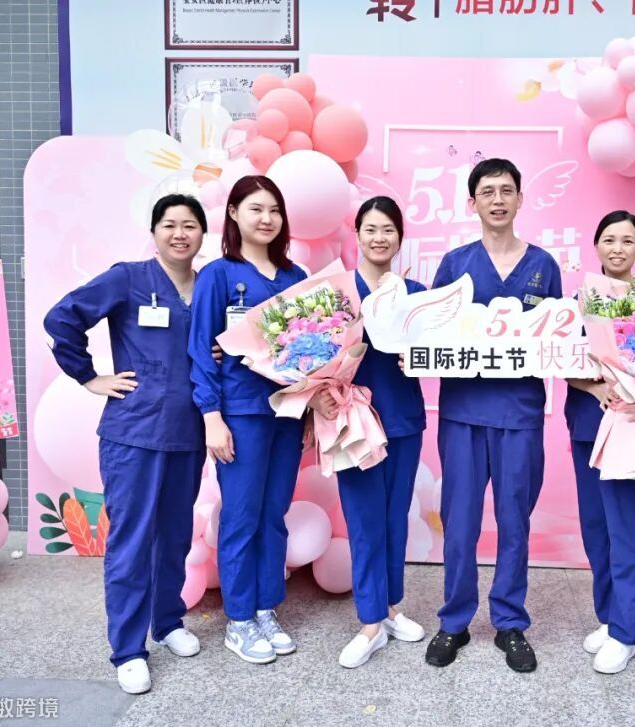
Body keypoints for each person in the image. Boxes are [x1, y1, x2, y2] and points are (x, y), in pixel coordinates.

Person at [44, 194, 208, 694]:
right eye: (169, 224)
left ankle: (168, 621)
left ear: (202, 234)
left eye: (189, 225)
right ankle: (129, 649)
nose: (179, 233)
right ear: (154, 232)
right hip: (134, 433)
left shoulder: (209, 286)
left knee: (175, 535)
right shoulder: (128, 278)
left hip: (189, 432)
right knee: (132, 541)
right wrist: (89, 376)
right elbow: (62, 318)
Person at [425, 158, 562, 673]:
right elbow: (431, 330)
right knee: (459, 521)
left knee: (514, 521)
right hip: (462, 413)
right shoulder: (455, 263)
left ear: (521, 199)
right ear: (473, 202)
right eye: (488, 191)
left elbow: (558, 336)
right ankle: (454, 620)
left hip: (520, 412)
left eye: (507, 190)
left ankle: (509, 622)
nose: (498, 199)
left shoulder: (543, 265)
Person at [188, 175, 323, 665]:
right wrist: (211, 417)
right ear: (233, 214)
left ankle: (267, 607)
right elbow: (201, 351)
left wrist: (310, 407)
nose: (267, 219)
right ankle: (239, 619)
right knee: (242, 517)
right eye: (256, 209)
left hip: (286, 413)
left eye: (274, 210)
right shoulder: (218, 276)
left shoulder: (295, 277)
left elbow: (313, 349)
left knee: (273, 514)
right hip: (241, 414)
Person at [565, 210, 635, 674]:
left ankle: (627, 631)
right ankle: (610, 618)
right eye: (609, 239)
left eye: (628, 240)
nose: (618, 248)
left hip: (631, 426)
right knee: (596, 528)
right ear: (597, 246)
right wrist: (593, 389)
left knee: (627, 530)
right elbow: (560, 361)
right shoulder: (576, 302)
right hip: (588, 425)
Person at [331, 196, 428, 668]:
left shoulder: (417, 294)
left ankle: (390, 607)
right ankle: (370, 622)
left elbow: (434, 354)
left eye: (388, 229)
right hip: (353, 423)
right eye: (370, 229)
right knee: (364, 520)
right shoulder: (335, 294)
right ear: (357, 235)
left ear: (400, 238)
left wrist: (421, 354)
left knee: (394, 518)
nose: (379, 237)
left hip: (404, 418)